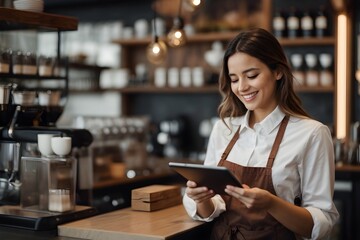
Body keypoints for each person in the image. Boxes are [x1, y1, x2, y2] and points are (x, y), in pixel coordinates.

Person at [183, 28, 339, 239]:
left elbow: (322, 223)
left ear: (278, 71)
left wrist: (272, 203)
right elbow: (213, 209)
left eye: (252, 75)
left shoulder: (312, 134)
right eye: (234, 79)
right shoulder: (224, 129)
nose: (242, 87)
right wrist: (202, 199)